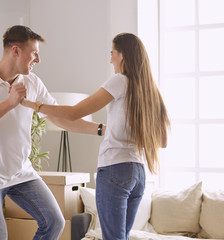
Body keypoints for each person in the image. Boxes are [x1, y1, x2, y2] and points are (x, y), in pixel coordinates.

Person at [21, 32, 170, 240]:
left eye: (112, 53)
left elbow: (74, 113)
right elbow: (162, 141)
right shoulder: (150, 90)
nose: (110, 59)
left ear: (122, 55)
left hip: (115, 169)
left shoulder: (119, 81)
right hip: (137, 173)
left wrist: (35, 105)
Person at [0, 25, 91, 240]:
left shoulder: (32, 82)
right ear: (16, 50)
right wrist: (9, 103)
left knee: (54, 222)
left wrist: (102, 130)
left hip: (21, 172)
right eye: (34, 52)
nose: (38, 59)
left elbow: (60, 118)